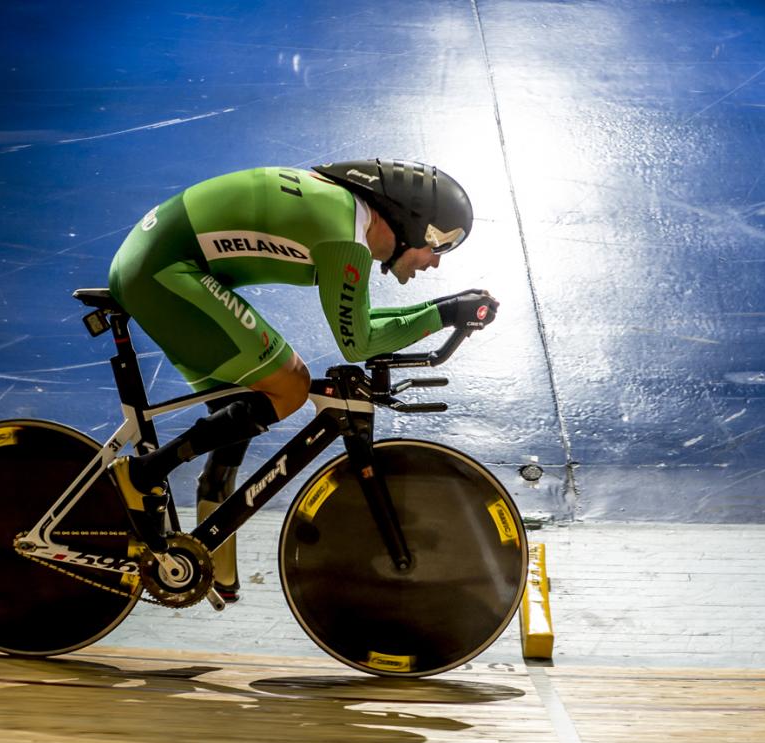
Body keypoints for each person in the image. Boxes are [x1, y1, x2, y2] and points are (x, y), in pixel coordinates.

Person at [106, 158, 498, 601]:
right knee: (289, 384)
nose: (434, 263)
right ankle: (142, 475)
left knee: (240, 407)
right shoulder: (344, 234)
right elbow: (360, 344)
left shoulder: (346, 215)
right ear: (411, 222)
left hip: (157, 265)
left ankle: (210, 553)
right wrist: (445, 314)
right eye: (438, 246)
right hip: (163, 274)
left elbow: (361, 322)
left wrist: (445, 310)